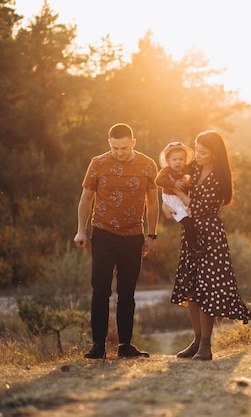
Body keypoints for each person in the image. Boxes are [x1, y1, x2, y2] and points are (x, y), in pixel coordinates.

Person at [163, 130, 251, 361]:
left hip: (210, 234)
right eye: (196, 149)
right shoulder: (193, 168)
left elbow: (201, 207)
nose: (198, 155)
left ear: (215, 154)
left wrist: (180, 196)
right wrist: (165, 202)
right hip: (191, 232)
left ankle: (206, 345)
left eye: (203, 152)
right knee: (192, 287)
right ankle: (196, 340)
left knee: (207, 289)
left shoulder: (219, 177)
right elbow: (169, 175)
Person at [74, 123, 159, 359]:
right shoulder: (98, 163)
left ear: (133, 142)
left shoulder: (147, 165)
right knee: (100, 289)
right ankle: (98, 345)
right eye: (114, 148)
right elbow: (86, 198)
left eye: (123, 148)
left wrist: (152, 235)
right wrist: (81, 230)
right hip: (102, 232)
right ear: (108, 143)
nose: (119, 152)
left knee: (127, 292)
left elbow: (153, 202)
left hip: (133, 236)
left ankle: (125, 346)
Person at [155, 141, 200, 252]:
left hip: (181, 198)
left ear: (185, 161)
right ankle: (193, 247)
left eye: (181, 159)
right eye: (174, 160)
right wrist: (173, 184)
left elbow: (188, 180)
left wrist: (187, 182)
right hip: (171, 199)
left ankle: (194, 243)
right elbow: (158, 181)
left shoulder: (186, 170)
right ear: (168, 161)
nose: (178, 162)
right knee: (187, 222)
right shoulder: (166, 171)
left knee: (192, 220)